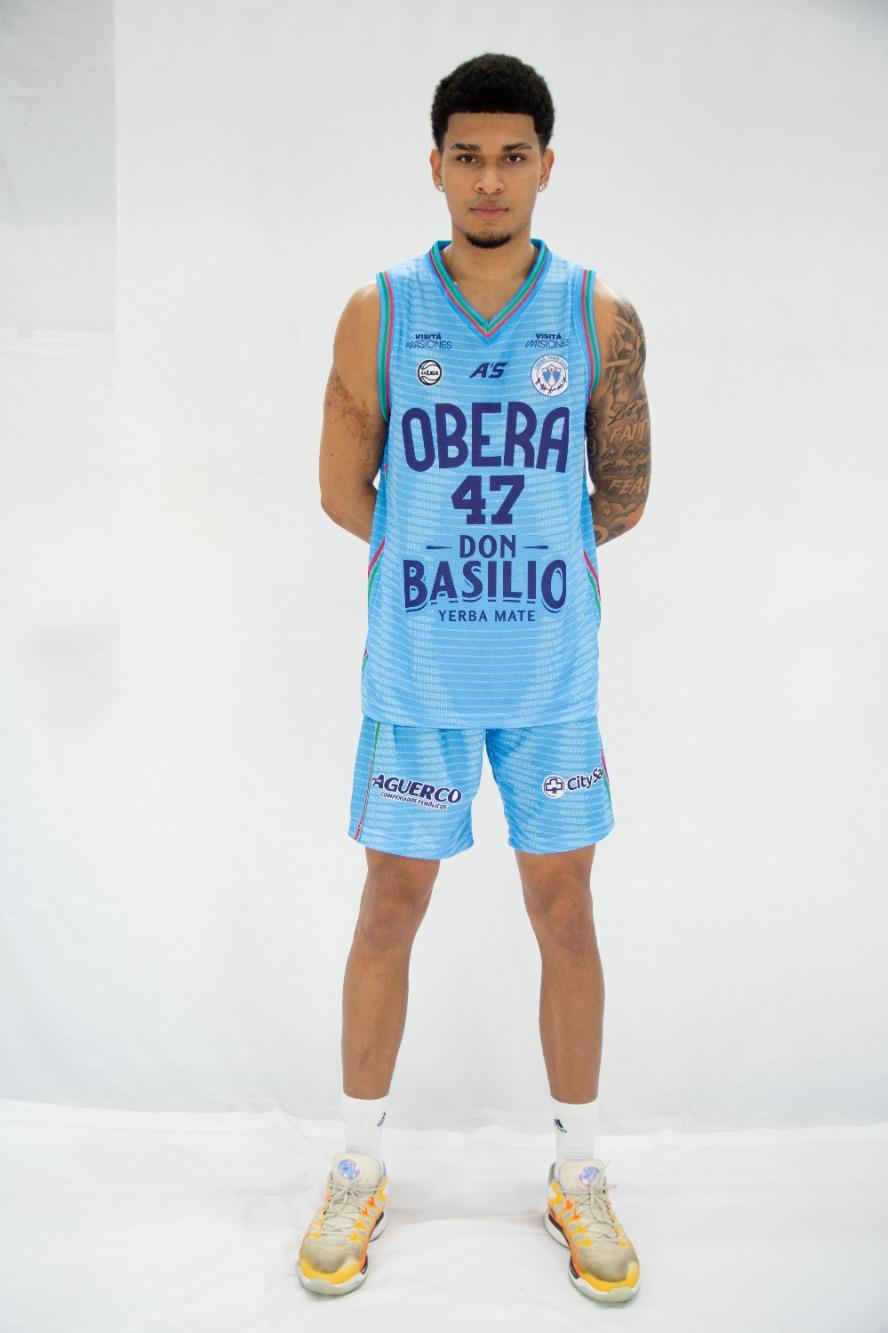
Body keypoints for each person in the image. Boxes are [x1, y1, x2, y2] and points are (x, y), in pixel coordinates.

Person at [300, 51, 651, 1302]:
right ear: (436, 166)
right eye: (468, 156)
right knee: (388, 909)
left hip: (550, 676)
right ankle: (356, 1163)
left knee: (567, 915)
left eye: (512, 157)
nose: (489, 179)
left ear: (547, 166)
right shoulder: (382, 310)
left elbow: (623, 494)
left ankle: (579, 1168)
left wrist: (522, 563)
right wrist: (445, 558)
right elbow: (343, 491)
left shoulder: (597, 316)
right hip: (419, 674)